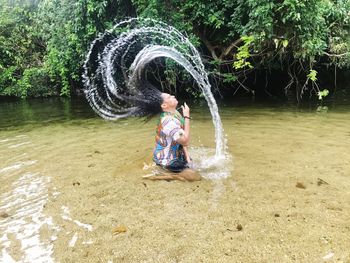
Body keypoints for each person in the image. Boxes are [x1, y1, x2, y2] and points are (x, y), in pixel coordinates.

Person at [144, 93, 201, 181]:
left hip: (174, 155)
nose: (173, 96)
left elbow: (182, 140)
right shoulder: (169, 122)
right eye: (169, 97)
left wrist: (188, 158)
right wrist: (186, 116)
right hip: (168, 161)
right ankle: (170, 176)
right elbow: (185, 140)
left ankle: (162, 170)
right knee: (194, 177)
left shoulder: (174, 113)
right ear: (164, 105)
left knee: (197, 167)